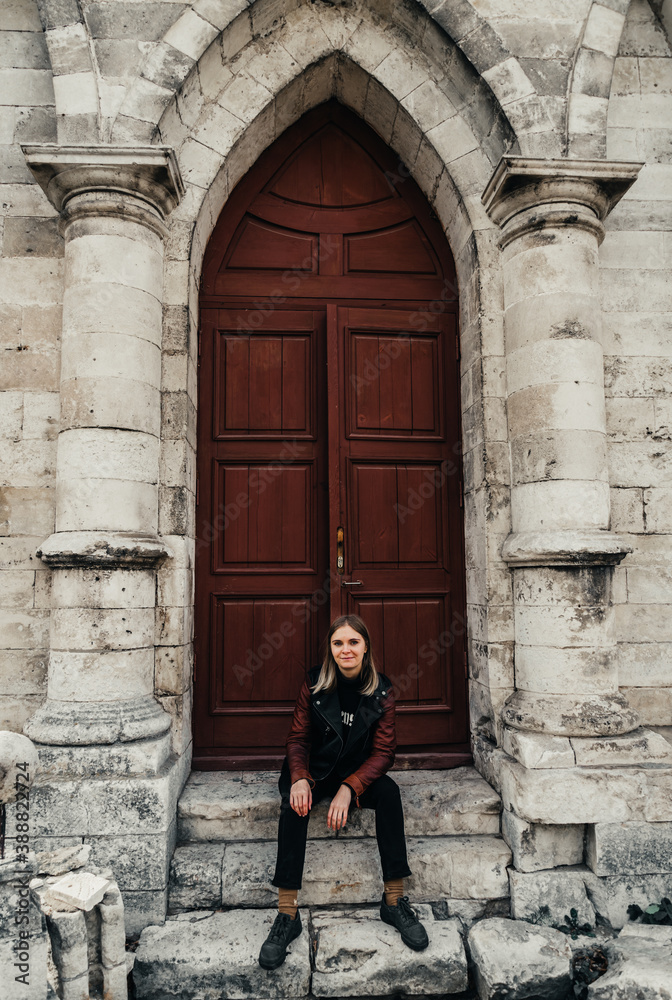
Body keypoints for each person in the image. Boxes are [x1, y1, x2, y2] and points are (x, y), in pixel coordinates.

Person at [258, 613, 428, 970]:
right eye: (338, 643)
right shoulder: (315, 684)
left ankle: (394, 902)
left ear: (366, 648)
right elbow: (298, 738)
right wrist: (301, 776)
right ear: (330, 649)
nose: (345, 649)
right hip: (315, 773)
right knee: (294, 805)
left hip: (357, 775)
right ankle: (287, 915)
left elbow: (384, 753)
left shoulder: (381, 691)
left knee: (391, 795)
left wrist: (350, 787)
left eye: (353, 642)